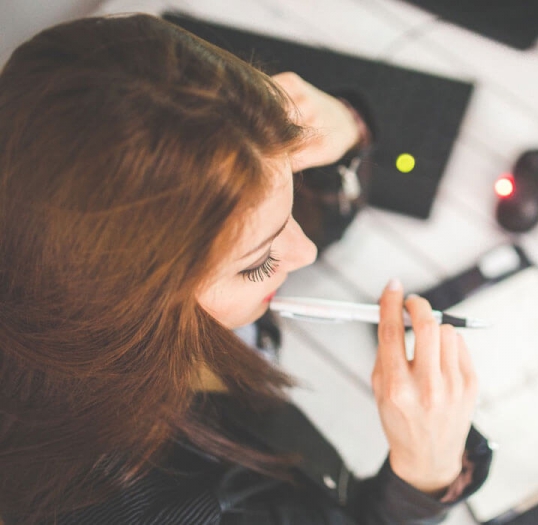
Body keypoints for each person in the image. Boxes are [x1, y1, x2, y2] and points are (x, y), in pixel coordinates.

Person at [0, 14, 490, 525]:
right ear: (133, 302)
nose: (305, 254)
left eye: (291, 192)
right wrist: (423, 477)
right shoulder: (178, 508)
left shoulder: (51, 234)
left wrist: (346, 125)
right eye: (258, 263)